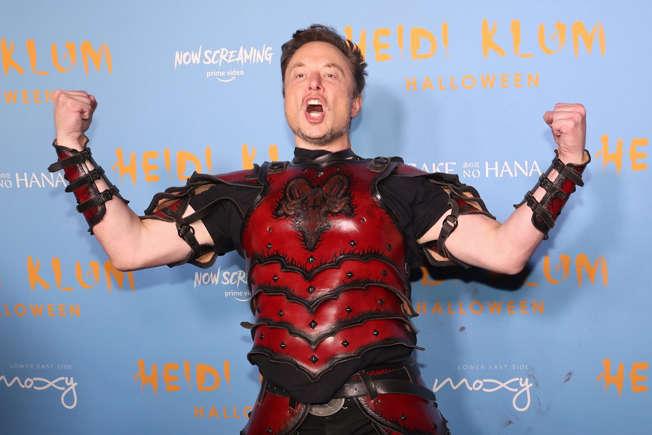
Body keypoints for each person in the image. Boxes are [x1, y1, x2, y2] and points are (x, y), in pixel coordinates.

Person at [49, 24, 589, 435]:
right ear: (286, 97)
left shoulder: (401, 186)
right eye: (299, 73)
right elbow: (131, 246)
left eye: (331, 73)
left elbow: (504, 252)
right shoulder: (243, 194)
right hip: (279, 417)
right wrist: (73, 150)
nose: (313, 82)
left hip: (391, 416)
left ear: (354, 103)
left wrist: (566, 163)